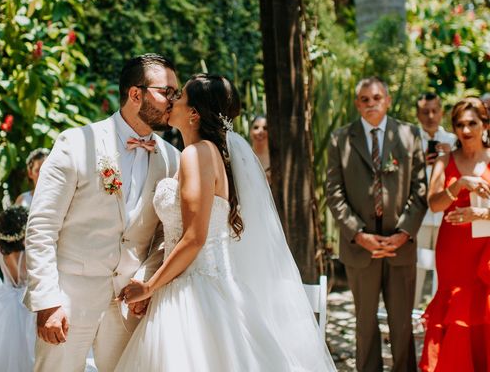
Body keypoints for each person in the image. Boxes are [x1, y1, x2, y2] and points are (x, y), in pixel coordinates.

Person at [115, 74, 336, 371]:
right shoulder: (209, 154)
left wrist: (149, 287)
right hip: (198, 285)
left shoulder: (197, 155)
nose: (172, 100)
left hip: (191, 294)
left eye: (179, 96)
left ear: (193, 113)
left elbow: (194, 238)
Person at [24, 54, 181, 372]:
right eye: (167, 92)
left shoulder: (172, 158)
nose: (174, 102)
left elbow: (166, 233)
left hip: (129, 304)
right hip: (68, 298)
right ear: (136, 94)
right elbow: (41, 226)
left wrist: (146, 280)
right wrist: (47, 301)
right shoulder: (76, 143)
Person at [326, 77, 427, 372]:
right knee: (365, 325)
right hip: (360, 249)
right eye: (365, 99)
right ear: (357, 103)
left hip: (400, 247)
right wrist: (358, 235)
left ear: (388, 100)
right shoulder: (340, 139)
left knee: (401, 324)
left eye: (377, 97)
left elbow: (419, 189)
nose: (371, 104)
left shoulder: (409, 135)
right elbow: (334, 193)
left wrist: (403, 232)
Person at [419, 97, 490, 372]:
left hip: (484, 250)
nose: (466, 130)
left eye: (472, 123)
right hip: (452, 250)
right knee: (454, 308)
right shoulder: (445, 159)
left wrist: (481, 214)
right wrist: (460, 184)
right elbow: (434, 203)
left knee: (483, 308)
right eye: (460, 124)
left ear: (485, 124)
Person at [0, 205, 35, 372]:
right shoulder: (27, 254)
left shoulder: (1, 251)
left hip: (6, 303)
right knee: (27, 349)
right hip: (26, 303)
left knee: (4, 349)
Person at [414, 93, 457, 307]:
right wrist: (419, 160)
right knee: (415, 272)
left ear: (441, 112)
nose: (430, 116)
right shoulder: (409, 142)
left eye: (434, 111)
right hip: (418, 217)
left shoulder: (454, 141)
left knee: (443, 273)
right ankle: (409, 324)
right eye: (425, 112)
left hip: (445, 218)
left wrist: (450, 157)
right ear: (417, 114)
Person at [249, 115, 271, 183]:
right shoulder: (244, 155)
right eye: (256, 128)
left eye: (265, 128)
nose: (260, 132)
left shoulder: (276, 157)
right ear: (250, 132)